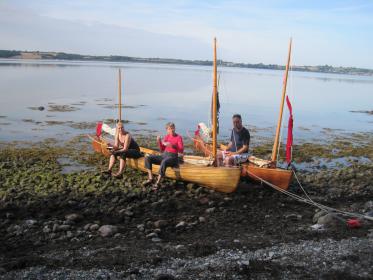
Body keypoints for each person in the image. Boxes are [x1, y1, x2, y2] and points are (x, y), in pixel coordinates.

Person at [143, 122, 184, 190]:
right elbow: (162, 149)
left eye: (173, 128)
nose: (172, 130)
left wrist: (172, 145)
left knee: (164, 162)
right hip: (164, 154)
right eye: (170, 129)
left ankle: (158, 183)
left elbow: (181, 150)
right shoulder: (167, 136)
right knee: (148, 158)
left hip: (173, 157)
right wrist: (159, 141)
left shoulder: (179, 137)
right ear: (167, 130)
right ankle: (150, 178)